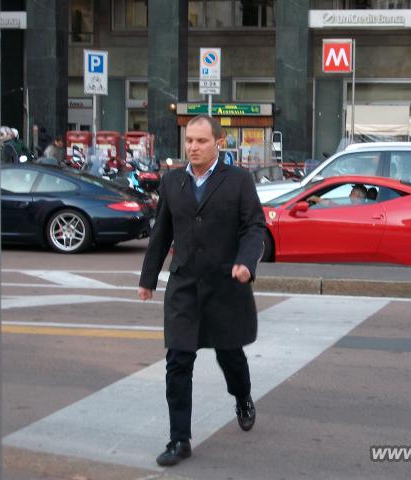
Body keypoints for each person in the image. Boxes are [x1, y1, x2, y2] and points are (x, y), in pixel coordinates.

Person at [137, 115, 265, 467]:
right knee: (178, 360)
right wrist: (148, 279)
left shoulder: (238, 181)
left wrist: (246, 263)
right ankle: (179, 439)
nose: (193, 147)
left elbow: (254, 227)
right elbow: (161, 233)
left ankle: (242, 397)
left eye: (201, 141)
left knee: (230, 356)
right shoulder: (173, 181)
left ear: (218, 143)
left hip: (225, 285)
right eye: (189, 140)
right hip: (184, 286)